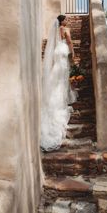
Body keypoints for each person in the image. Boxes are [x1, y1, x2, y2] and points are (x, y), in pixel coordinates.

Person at [40, 15, 77, 151]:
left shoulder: (55, 31)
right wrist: (73, 53)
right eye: (66, 19)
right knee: (62, 79)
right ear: (62, 21)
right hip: (62, 53)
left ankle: (53, 99)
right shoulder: (65, 29)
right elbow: (70, 42)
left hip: (56, 51)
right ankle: (60, 101)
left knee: (57, 79)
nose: (67, 21)